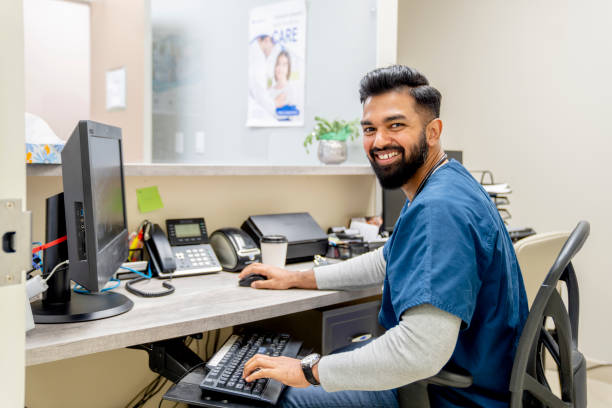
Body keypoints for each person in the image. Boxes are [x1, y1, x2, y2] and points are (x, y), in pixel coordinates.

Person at [239, 65, 529, 407]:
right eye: (369, 128)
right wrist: (298, 277)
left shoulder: (439, 210)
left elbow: (419, 352)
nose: (379, 141)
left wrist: (307, 371)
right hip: (472, 375)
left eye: (396, 125)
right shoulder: (446, 182)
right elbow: (387, 258)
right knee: (320, 363)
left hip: (454, 395)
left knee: (275, 397)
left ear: (433, 131)